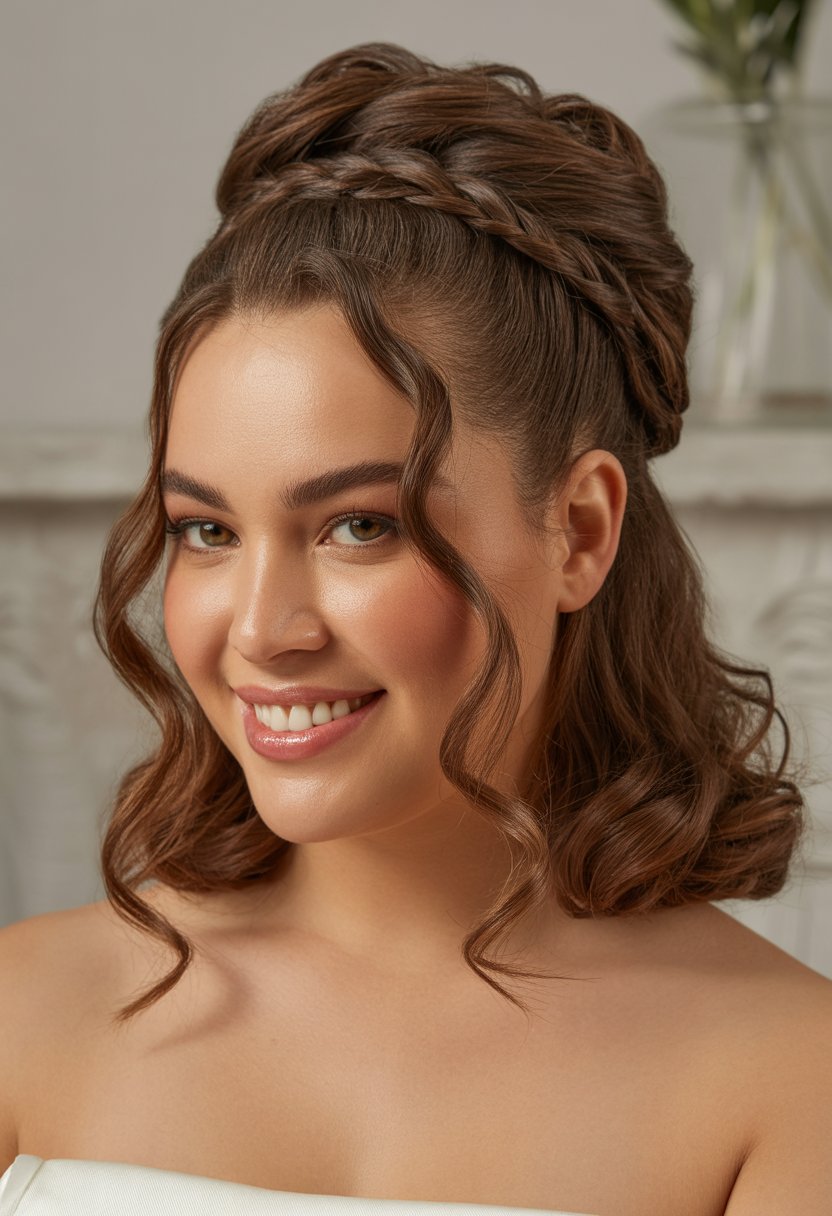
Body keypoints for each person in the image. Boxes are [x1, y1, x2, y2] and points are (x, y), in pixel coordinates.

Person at [0, 40, 830, 1216]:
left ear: (580, 532)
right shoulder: (18, 1018)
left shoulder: (792, 1084)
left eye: (357, 527)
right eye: (206, 531)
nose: (260, 630)